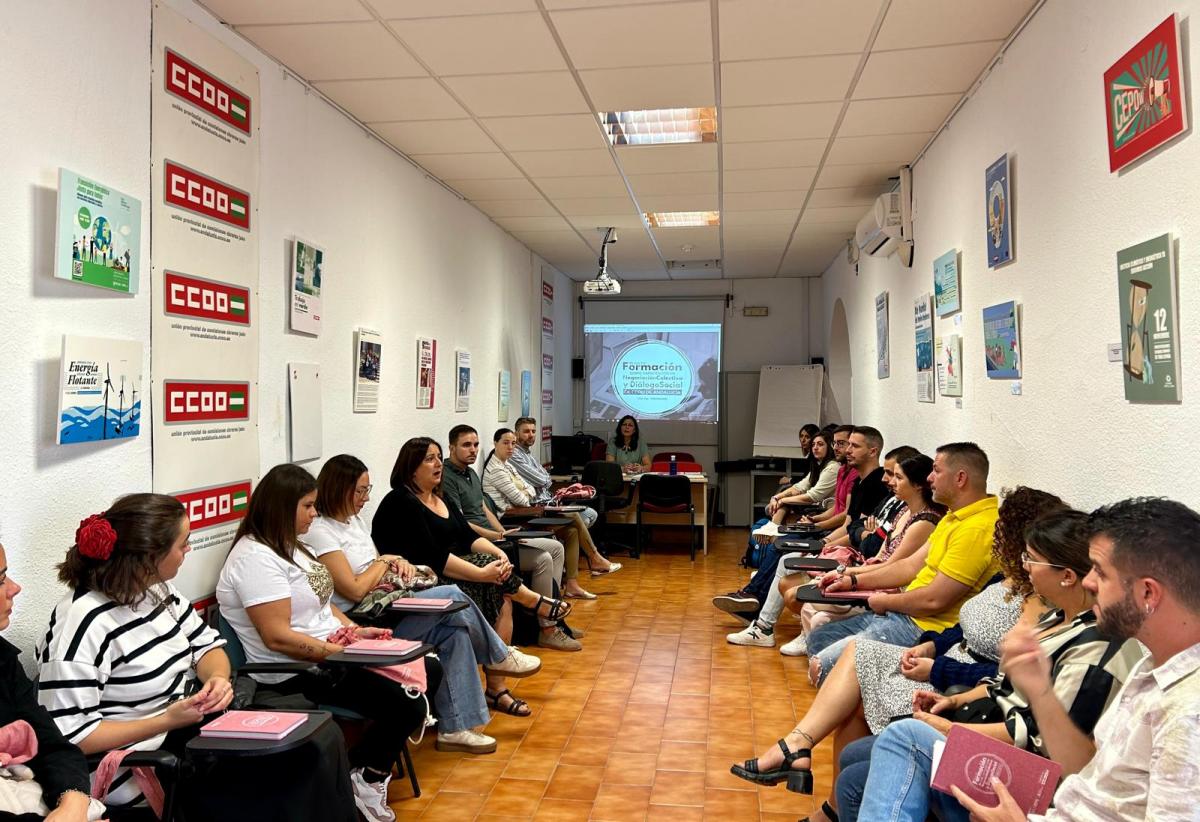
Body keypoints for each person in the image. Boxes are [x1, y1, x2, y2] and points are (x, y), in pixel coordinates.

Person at [740, 487, 1064, 822]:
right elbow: (961, 626)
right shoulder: (1004, 578)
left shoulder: (1045, 608)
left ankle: (808, 772)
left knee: (849, 674)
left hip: (957, 687)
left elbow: (997, 673)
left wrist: (937, 667)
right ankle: (800, 749)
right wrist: (931, 645)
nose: (996, 536)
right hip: (941, 658)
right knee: (856, 655)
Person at [854, 508, 1146, 822]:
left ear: (1066, 576)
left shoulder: (1096, 652)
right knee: (853, 769)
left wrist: (952, 729)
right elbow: (1003, 685)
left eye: (1031, 559)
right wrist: (953, 700)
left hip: (1027, 775)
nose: (1024, 567)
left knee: (905, 736)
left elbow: (1040, 741)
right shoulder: (1057, 619)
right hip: (997, 732)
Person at [941, 498, 1200, 822]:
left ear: (1148, 594)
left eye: (1101, 574)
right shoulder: (1154, 666)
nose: (1088, 582)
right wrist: (1041, 693)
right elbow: (1087, 773)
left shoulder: (1188, 714)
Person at [216, 464, 443, 820]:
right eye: (308, 506)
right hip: (296, 672)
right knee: (408, 703)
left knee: (427, 667)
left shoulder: (293, 546)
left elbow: (324, 605)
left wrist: (356, 632)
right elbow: (278, 638)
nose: (315, 513)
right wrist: (339, 652)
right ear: (281, 507)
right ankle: (366, 776)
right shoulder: (254, 559)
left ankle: (360, 772)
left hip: (333, 654)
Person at [37, 495, 236, 818]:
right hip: (133, 771)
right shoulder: (84, 622)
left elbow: (207, 646)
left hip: (180, 736)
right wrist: (165, 720)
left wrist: (216, 679)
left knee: (293, 759)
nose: (188, 550)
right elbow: (73, 736)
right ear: (149, 558)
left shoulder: (154, 590)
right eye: (183, 543)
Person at [306, 455, 541, 725]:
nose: (366, 498)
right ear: (339, 489)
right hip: (366, 617)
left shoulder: (353, 521)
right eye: (360, 491)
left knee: (456, 633)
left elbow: (381, 562)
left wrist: (398, 562)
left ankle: (458, 728)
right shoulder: (321, 531)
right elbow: (356, 590)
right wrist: (386, 560)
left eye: (367, 490)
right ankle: (498, 655)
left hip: (390, 598)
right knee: (452, 594)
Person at [372, 438, 573, 728]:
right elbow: (433, 556)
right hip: (421, 581)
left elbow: (467, 536)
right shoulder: (402, 501)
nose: (438, 464)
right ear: (411, 467)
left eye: (439, 457)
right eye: (429, 459)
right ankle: (513, 644)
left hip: (454, 570)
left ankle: (499, 680)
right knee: (492, 581)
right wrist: (482, 572)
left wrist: (498, 555)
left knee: (499, 585)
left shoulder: (441, 498)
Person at [806, 442, 1001, 685]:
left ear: (960, 478)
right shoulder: (954, 516)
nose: (930, 478)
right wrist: (852, 580)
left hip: (923, 627)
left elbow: (934, 600)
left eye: (936, 471)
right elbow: (909, 566)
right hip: (903, 614)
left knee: (821, 667)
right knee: (818, 638)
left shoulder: (978, 528)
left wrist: (882, 600)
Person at [441, 426, 580, 645]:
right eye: (466, 445)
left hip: (495, 535)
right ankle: (548, 629)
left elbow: (484, 509)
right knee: (542, 558)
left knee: (556, 547)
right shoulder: (447, 477)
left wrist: (502, 532)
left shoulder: (470, 473)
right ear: (451, 447)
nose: (473, 450)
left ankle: (555, 617)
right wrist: (496, 536)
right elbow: (462, 523)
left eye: (476, 445)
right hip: (477, 543)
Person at [0, 538, 94, 822]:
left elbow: (53, 745)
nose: (15, 588)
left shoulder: (2, 660)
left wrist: (73, 802)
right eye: (1, 579)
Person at [481, 428, 619, 593]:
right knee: (574, 514)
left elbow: (530, 490)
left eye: (513, 443)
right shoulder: (496, 469)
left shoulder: (507, 464)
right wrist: (527, 493)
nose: (510, 447)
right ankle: (595, 558)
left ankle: (572, 585)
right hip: (514, 520)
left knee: (572, 531)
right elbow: (524, 500)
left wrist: (527, 493)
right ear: (495, 443)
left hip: (526, 512)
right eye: (505, 443)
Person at [509, 417, 598, 528]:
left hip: (549, 500)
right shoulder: (514, 454)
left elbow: (546, 478)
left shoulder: (527, 453)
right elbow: (542, 480)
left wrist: (545, 479)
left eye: (533, 431)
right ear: (516, 434)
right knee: (585, 517)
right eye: (526, 431)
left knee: (590, 513)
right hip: (537, 505)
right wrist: (545, 479)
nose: (531, 435)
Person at [764, 430, 838, 522]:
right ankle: (773, 529)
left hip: (826, 510)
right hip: (816, 506)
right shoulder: (818, 466)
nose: (815, 448)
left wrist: (782, 500)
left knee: (784, 504)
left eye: (820, 444)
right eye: (813, 445)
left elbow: (813, 497)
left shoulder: (833, 467)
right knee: (778, 503)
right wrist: (775, 498)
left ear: (829, 447)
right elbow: (798, 488)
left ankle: (772, 530)